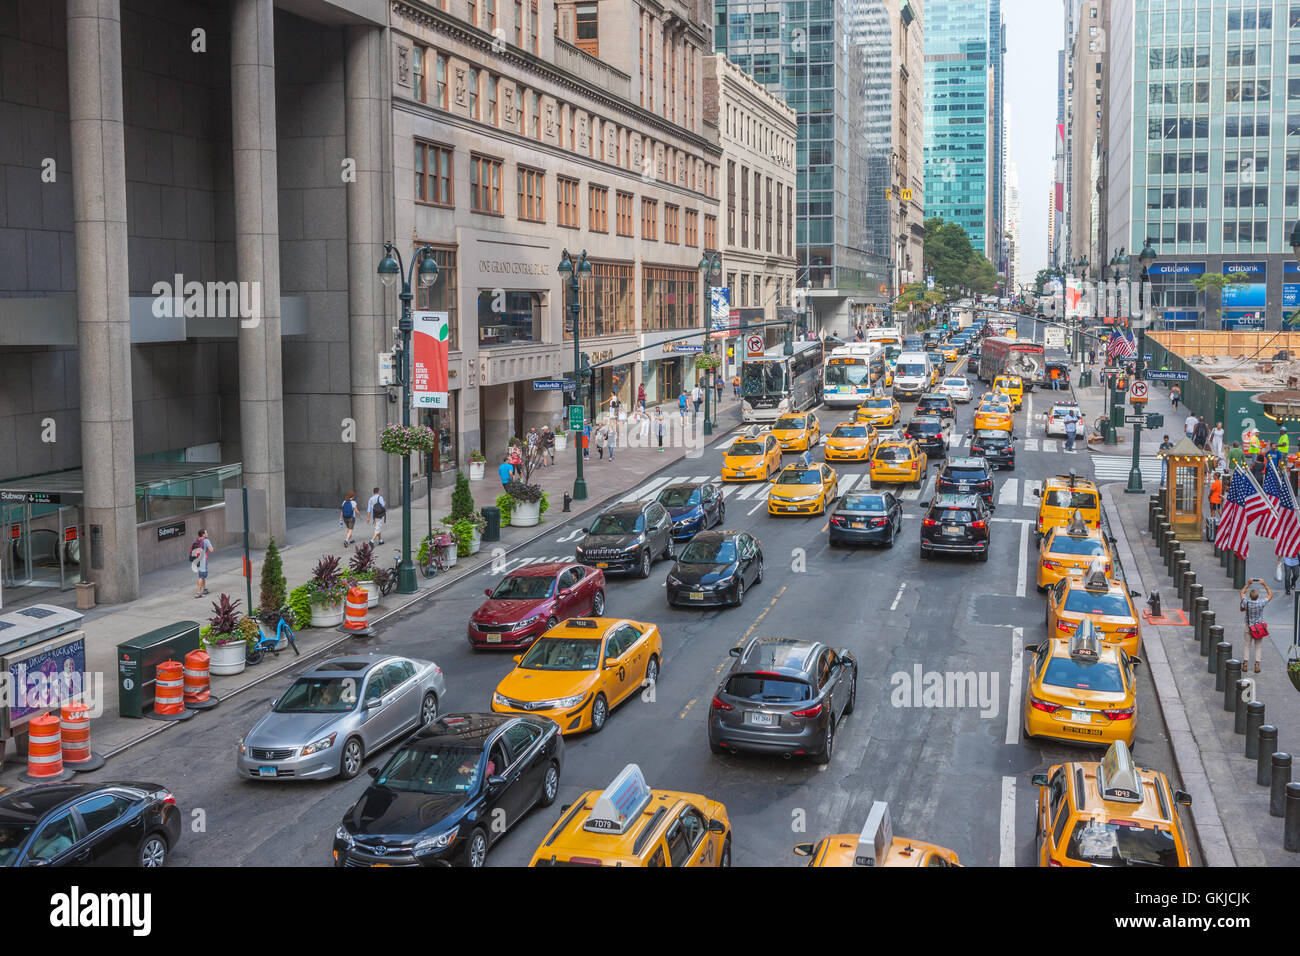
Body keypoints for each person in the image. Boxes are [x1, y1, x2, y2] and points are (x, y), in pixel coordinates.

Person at [1240, 578, 1273, 674]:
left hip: (1248, 626)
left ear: (1250, 596)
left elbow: (1242, 593)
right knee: (1258, 646)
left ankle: (1245, 664)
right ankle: (1257, 665)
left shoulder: (1246, 602)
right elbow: (1270, 595)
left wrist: (1248, 584)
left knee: (1247, 645)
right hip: (1258, 628)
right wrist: (1264, 584)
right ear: (1258, 596)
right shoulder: (1261, 603)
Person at [190, 529, 213, 598]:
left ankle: (205, 589)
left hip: (197, 560)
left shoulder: (197, 540)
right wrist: (207, 548)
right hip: (203, 560)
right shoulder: (206, 541)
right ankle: (198, 593)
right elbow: (211, 550)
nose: (207, 533)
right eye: (206, 532)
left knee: (202, 575)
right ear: (203, 534)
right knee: (201, 576)